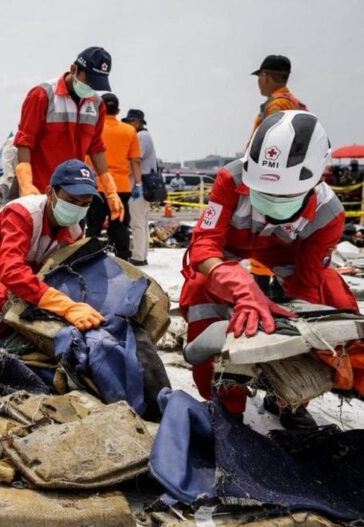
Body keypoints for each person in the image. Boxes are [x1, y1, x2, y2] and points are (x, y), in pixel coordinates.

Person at [180, 111, 356, 430]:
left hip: (288, 263)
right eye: (264, 192)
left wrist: (297, 327)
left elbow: (307, 281)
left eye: (283, 194)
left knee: (333, 301)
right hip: (231, 255)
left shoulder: (329, 215)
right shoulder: (231, 180)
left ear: (315, 179)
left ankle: (289, 400)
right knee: (200, 291)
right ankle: (224, 400)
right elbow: (204, 246)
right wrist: (242, 288)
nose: (270, 200)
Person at [0, 159, 105, 343]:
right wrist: (65, 306)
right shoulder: (22, 214)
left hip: (30, 274)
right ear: (50, 193)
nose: (77, 208)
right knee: (7, 300)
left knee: (45, 304)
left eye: (85, 203)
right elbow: (11, 272)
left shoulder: (74, 231)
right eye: (71, 200)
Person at [13, 46, 123, 224]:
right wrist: (26, 185)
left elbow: (95, 148)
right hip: (41, 191)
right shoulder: (43, 96)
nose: (91, 89)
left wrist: (110, 191)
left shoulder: (97, 105)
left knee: (71, 249)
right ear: (74, 70)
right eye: (89, 81)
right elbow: (25, 141)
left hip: (76, 196)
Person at [249, 55, 307, 296]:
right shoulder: (294, 102)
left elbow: (272, 146)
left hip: (272, 183)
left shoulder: (277, 105)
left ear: (265, 76)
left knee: (264, 240)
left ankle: (263, 292)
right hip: (288, 182)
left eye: (259, 78)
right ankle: (278, 287)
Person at [86, 93, 141, 260]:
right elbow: (135, 161)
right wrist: (138, 184)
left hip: (97, 185)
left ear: (99, 109)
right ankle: (123, 260)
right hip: (121, 187)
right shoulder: (129, 130)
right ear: (118, 110)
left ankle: (88, 257)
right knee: (120, 226)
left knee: (94, 226)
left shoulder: (92, 128)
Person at [122, 108, 156, 266]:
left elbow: (135, 159)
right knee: (142, 220)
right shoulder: (145, 135)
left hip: (139, 185)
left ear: (139, 121)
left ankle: (137, 256)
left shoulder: (141, 136)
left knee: (136, 221)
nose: (129, 124)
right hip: (143, 184)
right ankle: (142, 254)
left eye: (131, 121)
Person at [0, 132, 18, 205]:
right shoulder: (12, 141)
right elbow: (6, 162)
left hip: (21, 183)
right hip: (11, 183)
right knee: (9, 209)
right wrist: (12, 182)